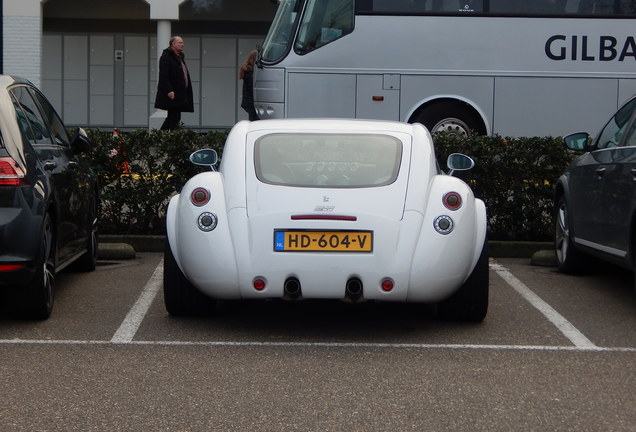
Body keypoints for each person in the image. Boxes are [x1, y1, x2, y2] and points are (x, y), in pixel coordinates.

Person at [154, 36, 194, 130]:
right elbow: (164, 75)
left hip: (180, 92)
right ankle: (161, 138)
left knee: (175, 117)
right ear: (173, 44)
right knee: (173, 117)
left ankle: (167, 137)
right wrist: (169, 90)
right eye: (180, 43)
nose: (182, 44)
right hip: (172, 93)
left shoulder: (179, 57)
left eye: (182, 42)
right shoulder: (166, 57)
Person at [239, 50, 259, 121]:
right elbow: (252, 88)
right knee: (255, 121)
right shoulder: (249, 71)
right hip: (251, 102)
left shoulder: (247, 68)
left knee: (253, 119)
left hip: (248, 102)